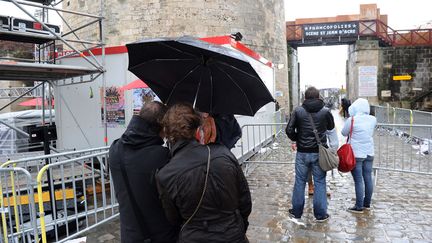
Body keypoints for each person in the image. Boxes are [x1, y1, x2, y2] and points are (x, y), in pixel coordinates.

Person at [156, 103, 251, 243]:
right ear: (197, 129)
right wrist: (238, 227)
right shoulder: (224, 154)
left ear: (168, 134)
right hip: (232, 234)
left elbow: (173, 218)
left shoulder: (165, 175)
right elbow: (245, 201)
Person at [109, 101, 178, 243]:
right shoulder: (161, 156)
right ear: (161, 126)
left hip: (129, 235)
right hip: (160, 235)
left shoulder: (115, 149)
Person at [285, 86, 338, 222]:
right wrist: (333, 149)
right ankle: (320, 215)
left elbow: (289, 129)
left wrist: (297, 139)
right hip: (319, 153)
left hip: (302, 152)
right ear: (318, 97)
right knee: (320, 182)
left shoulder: (298, 111)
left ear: (305, 97)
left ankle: (296, 212)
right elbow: (332, 131)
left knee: (300, 181)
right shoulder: (326, 112)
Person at [341, 98, 377, 213]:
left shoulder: (352, 120)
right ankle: (367, 203)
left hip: (356, 154)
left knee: (358, 180)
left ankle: (359, 206)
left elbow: (343, 133)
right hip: (369, 152)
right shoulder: (373, 119)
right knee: (368, 178)